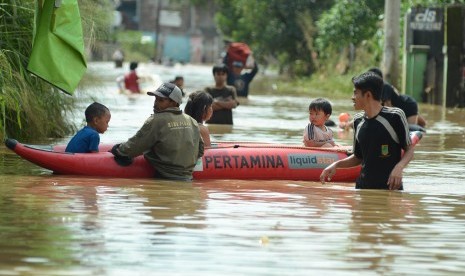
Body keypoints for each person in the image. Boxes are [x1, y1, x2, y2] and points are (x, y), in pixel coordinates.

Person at [320, 71, 415, 190]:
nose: (352, 97)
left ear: (368, 95)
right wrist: (336, 164)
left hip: (390, 190)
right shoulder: (357, 121)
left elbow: (409, 149)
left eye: (355, 93)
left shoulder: (395, 116)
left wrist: (399, 167)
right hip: (362, 189)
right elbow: (358, 157)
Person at [110, 82, 204, 180]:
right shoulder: (192, 121)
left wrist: (118, 150)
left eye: (161, 100)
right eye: (155, 99)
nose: (155, 103)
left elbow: (134, 146)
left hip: (164, 179)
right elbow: (200, 150)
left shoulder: (156, 120)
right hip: (188, 180)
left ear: (174, 102)